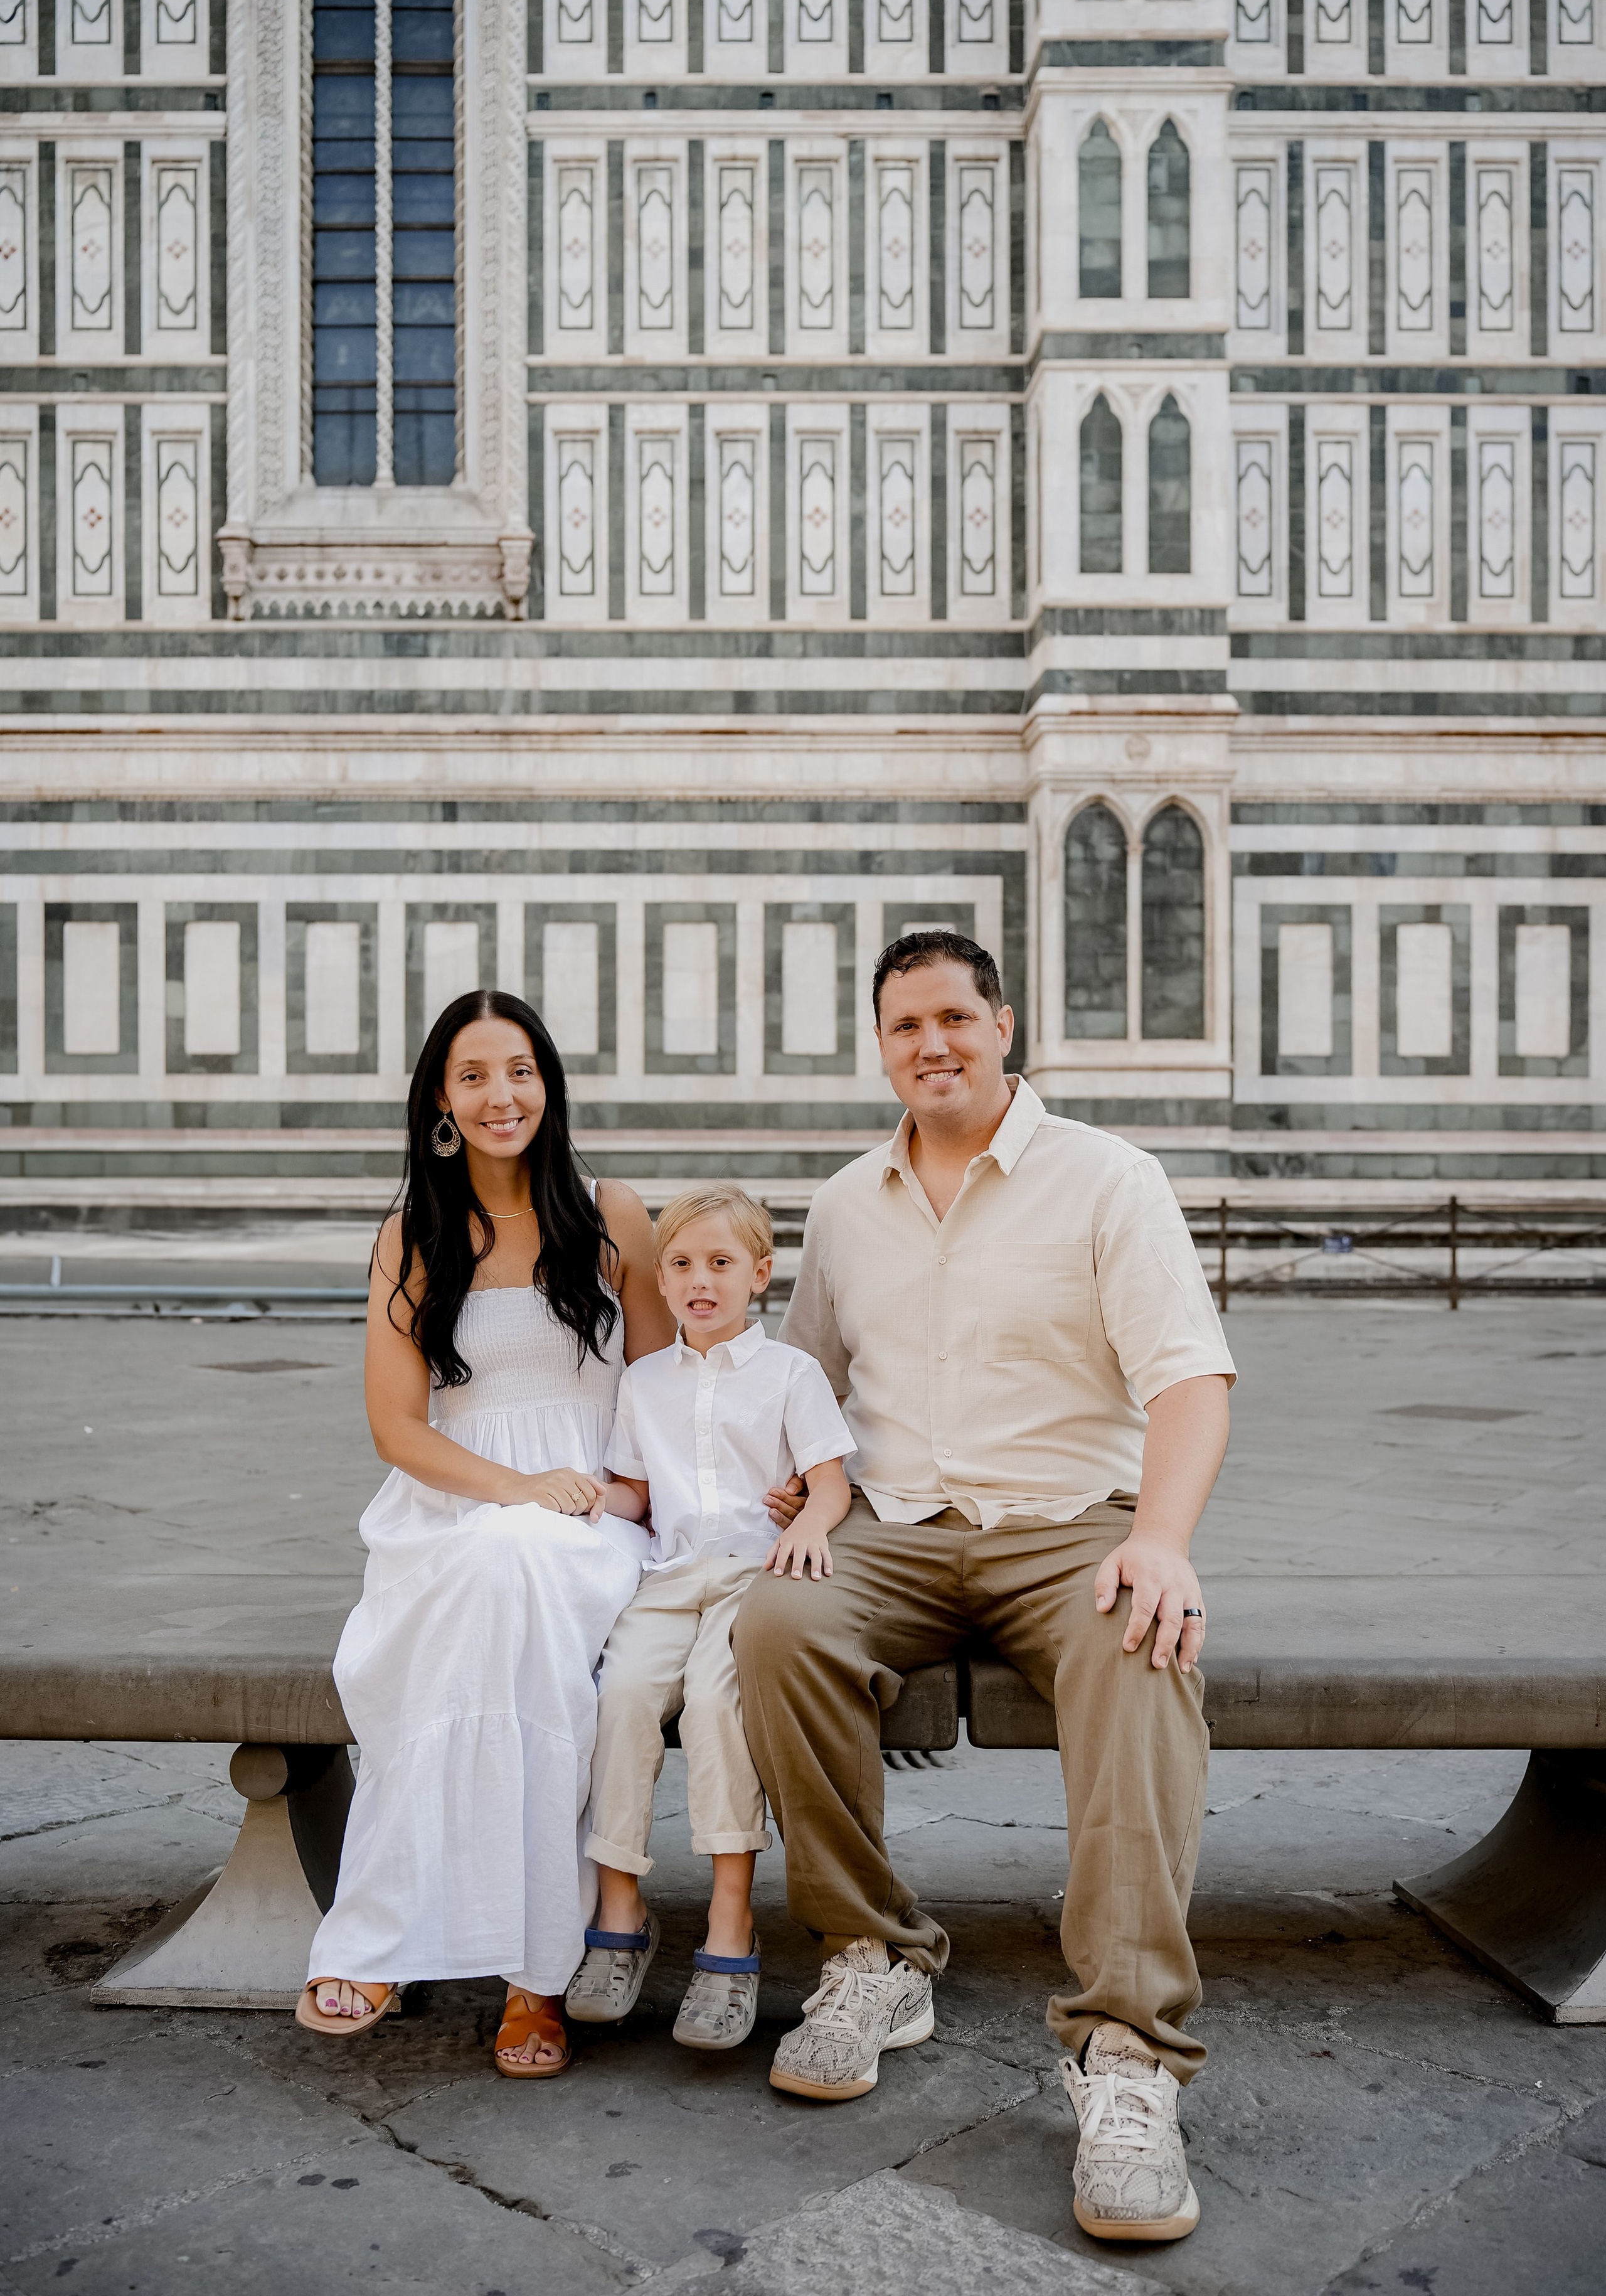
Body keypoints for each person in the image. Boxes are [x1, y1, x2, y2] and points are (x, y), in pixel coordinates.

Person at [733, 930, 1235, 2243]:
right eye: (904, 1027)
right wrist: (793, 1490)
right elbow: (803, 1391)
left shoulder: (1107, 1181)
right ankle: (872, 1957)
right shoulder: (845, 1204)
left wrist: (1163, 1540)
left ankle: (1125, 2051)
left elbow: (1188, 1376)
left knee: (1142, 1642)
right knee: (777, 1619)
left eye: (953, 1017)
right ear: (881, 1048)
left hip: (1069, 1523)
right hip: (894, 1524)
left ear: (1003, 1026)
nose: (931, 1045)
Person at [297, 989, 674, 2078]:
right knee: (492, 1578)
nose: (500, 1094)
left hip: (598, 1512)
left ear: (548, 1086)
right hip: (457, 1508)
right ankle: (502, 1958)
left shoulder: (615, 1214)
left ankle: (523, 1966)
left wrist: (640, 1495)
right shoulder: (410, 1235)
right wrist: (516, 1488)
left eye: (519, 1070)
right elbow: (395, 1429)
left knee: (519, 1583)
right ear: (442, 1103)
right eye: (473, 1075)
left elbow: (661, 1391)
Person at [565, 1187, 854, 2052]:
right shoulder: (645, 1383)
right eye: (683, 1265)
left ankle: (731, 1922)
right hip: (666, 1579)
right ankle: (620, 1907)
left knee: (717, 1706)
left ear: (760, 1275)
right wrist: (581, 1497)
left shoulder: (791, 1375)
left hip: (750, 1581)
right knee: (618, 1700)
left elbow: (831, 1483)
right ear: (659, 1279)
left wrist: (806, 1519)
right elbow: (637, 1494)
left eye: (722, 1264)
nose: (701, 1281)